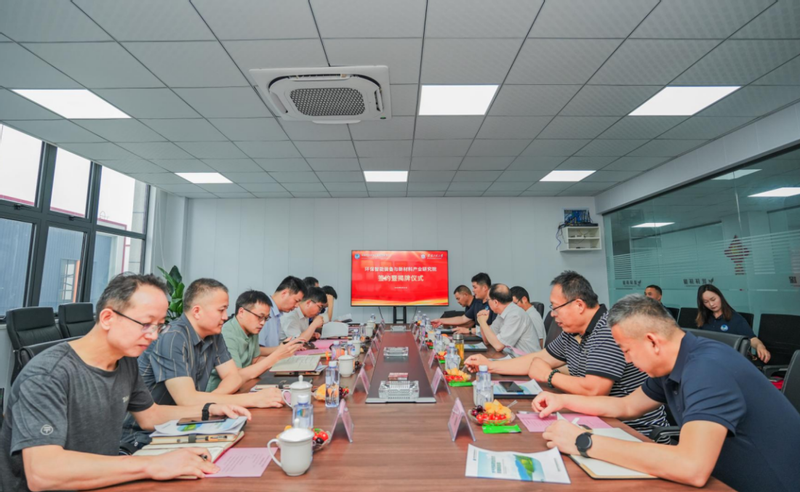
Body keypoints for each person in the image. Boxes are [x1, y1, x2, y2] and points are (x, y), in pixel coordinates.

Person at [0, 273, 252, 491]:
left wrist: (209, 410)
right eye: (145, 324)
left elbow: (150, 415)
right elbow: (43, 473)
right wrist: (152, 465)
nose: (153, 336)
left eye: (158, 326)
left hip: (104, 481)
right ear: (108, 318)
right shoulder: (47, 375)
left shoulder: (125, 361)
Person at [535, 294, 800, 491]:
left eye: (626, 350)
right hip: (720, 480)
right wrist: (561, 400)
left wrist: (583, 442)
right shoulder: (671, 364)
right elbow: (627, 406)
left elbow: (691, 466)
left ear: (652, 341)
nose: (626, 360)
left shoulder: (707, 369)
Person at [465, 271, 668, 439]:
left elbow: (594, 390)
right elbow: (539, 359)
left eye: (555, 308)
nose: (553, 314)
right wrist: (489, 365)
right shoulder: (573, 332)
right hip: (598, 420)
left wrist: (549, 376)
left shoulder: (607, 329)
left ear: (579, 305)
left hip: (632, 431)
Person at [123, 278, 284, 447]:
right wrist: (253, 399)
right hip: (144, 436)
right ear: (197, 311)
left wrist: (214, 401)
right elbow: (187, 399)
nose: (225, 317)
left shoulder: (214, 335)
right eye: (221, 310)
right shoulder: (173, 337)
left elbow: (233, 376)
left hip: (184, 424)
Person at [206, 290, 304, 391]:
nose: (262, 323)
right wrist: (276, 356)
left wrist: (285, 360)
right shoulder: (227, 333)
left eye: (266, 318)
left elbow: (255, 360)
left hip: (245, 385)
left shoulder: (253, 329)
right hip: (220, 392)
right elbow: (235, 376)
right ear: (241, 312)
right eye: (260, 317)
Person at [696, 284, 770, 363]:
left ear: (720, 297)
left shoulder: (735, 319)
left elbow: (752, 339)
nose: (711, 304)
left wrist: (759, 346)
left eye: (713, 299)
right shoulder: (704, 318)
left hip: (729, 360)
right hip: (709, 358)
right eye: (706, 302)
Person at [477, 284, 540, 354]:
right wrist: (482, 322)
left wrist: (482, 322)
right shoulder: (502, 313)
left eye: (488, 300)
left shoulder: (515, 315)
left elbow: (498, 346)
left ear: (495, 302)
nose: (487, 302)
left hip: (526, 358)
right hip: (512, 356)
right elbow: (487, 341)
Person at [432, 273, 496, 334]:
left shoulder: (494, 304)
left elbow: (494, 328)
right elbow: (463, 319)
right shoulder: (477, 302)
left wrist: (469, 330)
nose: (473, 290)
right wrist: (440, 321)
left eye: (475, 287)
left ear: (485, 288)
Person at [258, 276, 308, 349]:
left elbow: (272, 345)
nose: (297, 306)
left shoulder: (278, 314)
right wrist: (283, 349)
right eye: (296, 301)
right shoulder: (264, 310)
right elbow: (257, 351)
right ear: (284, 293)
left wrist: (291, 345)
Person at [510, 285, 546, 350]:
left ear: (524, 299)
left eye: (515, 304)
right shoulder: (524, 315)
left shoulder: (533, 317)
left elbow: (539, 345)